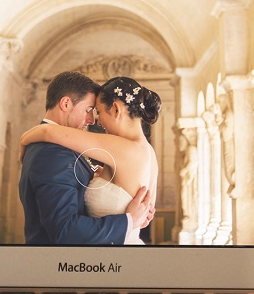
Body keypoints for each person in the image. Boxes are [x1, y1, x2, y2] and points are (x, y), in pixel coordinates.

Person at [20, 75, 161, 246]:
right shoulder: (149, 152)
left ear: (116, 110)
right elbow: (147, 212)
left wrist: (23, 140)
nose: (95, 121)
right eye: (90, 110)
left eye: (98, 112)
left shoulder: (121, 147)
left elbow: (47, 132)